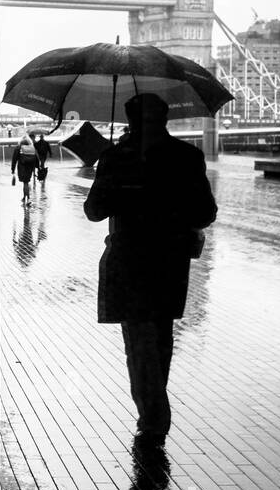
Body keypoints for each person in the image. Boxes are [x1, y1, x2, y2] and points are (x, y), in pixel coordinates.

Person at [84, 94, 217, 449]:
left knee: (139, 341)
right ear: (166, 118)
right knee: (159, 337)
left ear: (129, 120)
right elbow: (204, 213)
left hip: (129, 261)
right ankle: (154, 414)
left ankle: (154, 417)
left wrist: (113, 175)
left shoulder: (115, 157)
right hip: (169, 262)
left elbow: (95, 211)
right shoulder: (188, 157)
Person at [11, 133, 39, 205]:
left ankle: (28, 199)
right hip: (30, 167)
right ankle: (24, 197)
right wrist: (37, 167)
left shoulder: (18, 147)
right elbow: (36, 158)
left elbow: (14, 159)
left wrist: (13, 169)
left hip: (22, 167)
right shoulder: (32, 147)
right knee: (26, 182)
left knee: (25, 183)